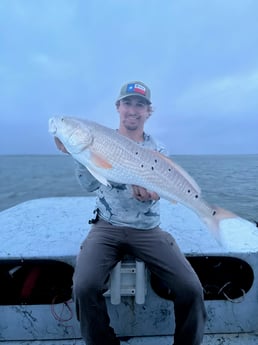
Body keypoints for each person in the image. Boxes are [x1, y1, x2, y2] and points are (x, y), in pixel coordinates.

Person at [55, 81, 207, 345]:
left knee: (191, 289)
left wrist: (152, 194)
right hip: (107, 227)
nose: (133, 110)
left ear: (149, 112)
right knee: (83, 286)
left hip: (148, 230)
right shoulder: (99, 139)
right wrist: (76, 155)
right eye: (128, 103)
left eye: (140, 105)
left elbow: (163, 188)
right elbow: (90, 183)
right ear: (118, 107)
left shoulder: (157, 149)